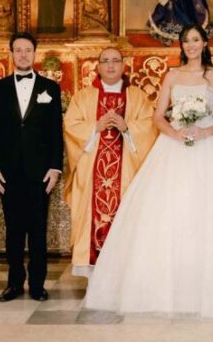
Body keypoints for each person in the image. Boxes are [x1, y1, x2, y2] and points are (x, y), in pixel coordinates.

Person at [84, 23, 213, 320]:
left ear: (204, 43)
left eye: (195, 40)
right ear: (181, 46)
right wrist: (175, 132)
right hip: (174, 146)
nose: (191, 45)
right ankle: (171, 289)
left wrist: (205, 132)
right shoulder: (172, 75)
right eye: (186, 41)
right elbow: (158, 116)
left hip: (210, 146)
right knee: (171, 215)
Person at [63, 47, 158, 277]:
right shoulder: (83, 96)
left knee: (127, 217)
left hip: (127, 173)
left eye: (115, 60)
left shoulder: (137, 96)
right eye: (105, 61)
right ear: (98, 66)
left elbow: (150, 126)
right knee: (91, 219)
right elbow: (71, 125)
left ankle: (123, 275)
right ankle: (93, 276)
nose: (111, 65)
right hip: (91, 171)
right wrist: (95, 126)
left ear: (123, 65)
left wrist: (127, 127)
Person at [0, 32, 64, 302]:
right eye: (18, 50)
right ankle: (15, 283)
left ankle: (38, 284)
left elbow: (55, 131)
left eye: (27, 50)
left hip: (40, 172)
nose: (23, 54)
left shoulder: (50, 88)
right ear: (11, 53)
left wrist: (55, 167)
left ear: (34, 53)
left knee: (38, 230)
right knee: (14, 230)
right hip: (8, 172)